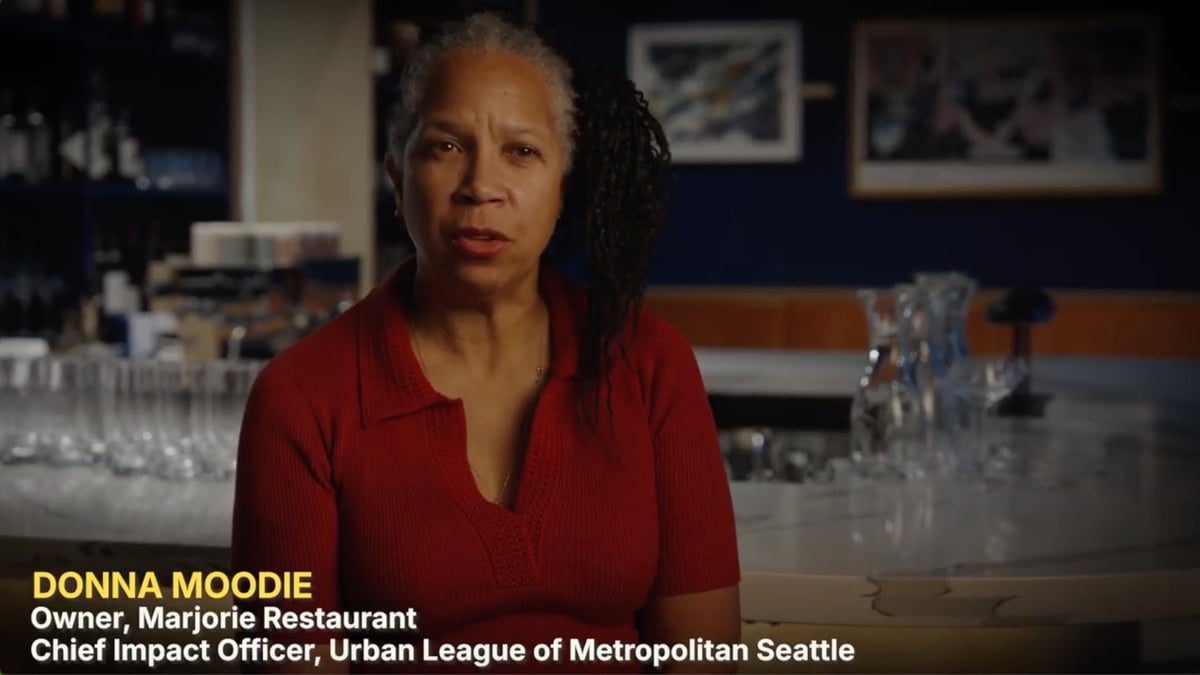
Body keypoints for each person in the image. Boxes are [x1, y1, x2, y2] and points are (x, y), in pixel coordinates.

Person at [231, 11, 741, 675]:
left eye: (522, 151)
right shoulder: (300, 396)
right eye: (446, 145)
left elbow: (701, 657)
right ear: (395, 176)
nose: (481, 186)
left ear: (564, 182)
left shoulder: (647, 361)